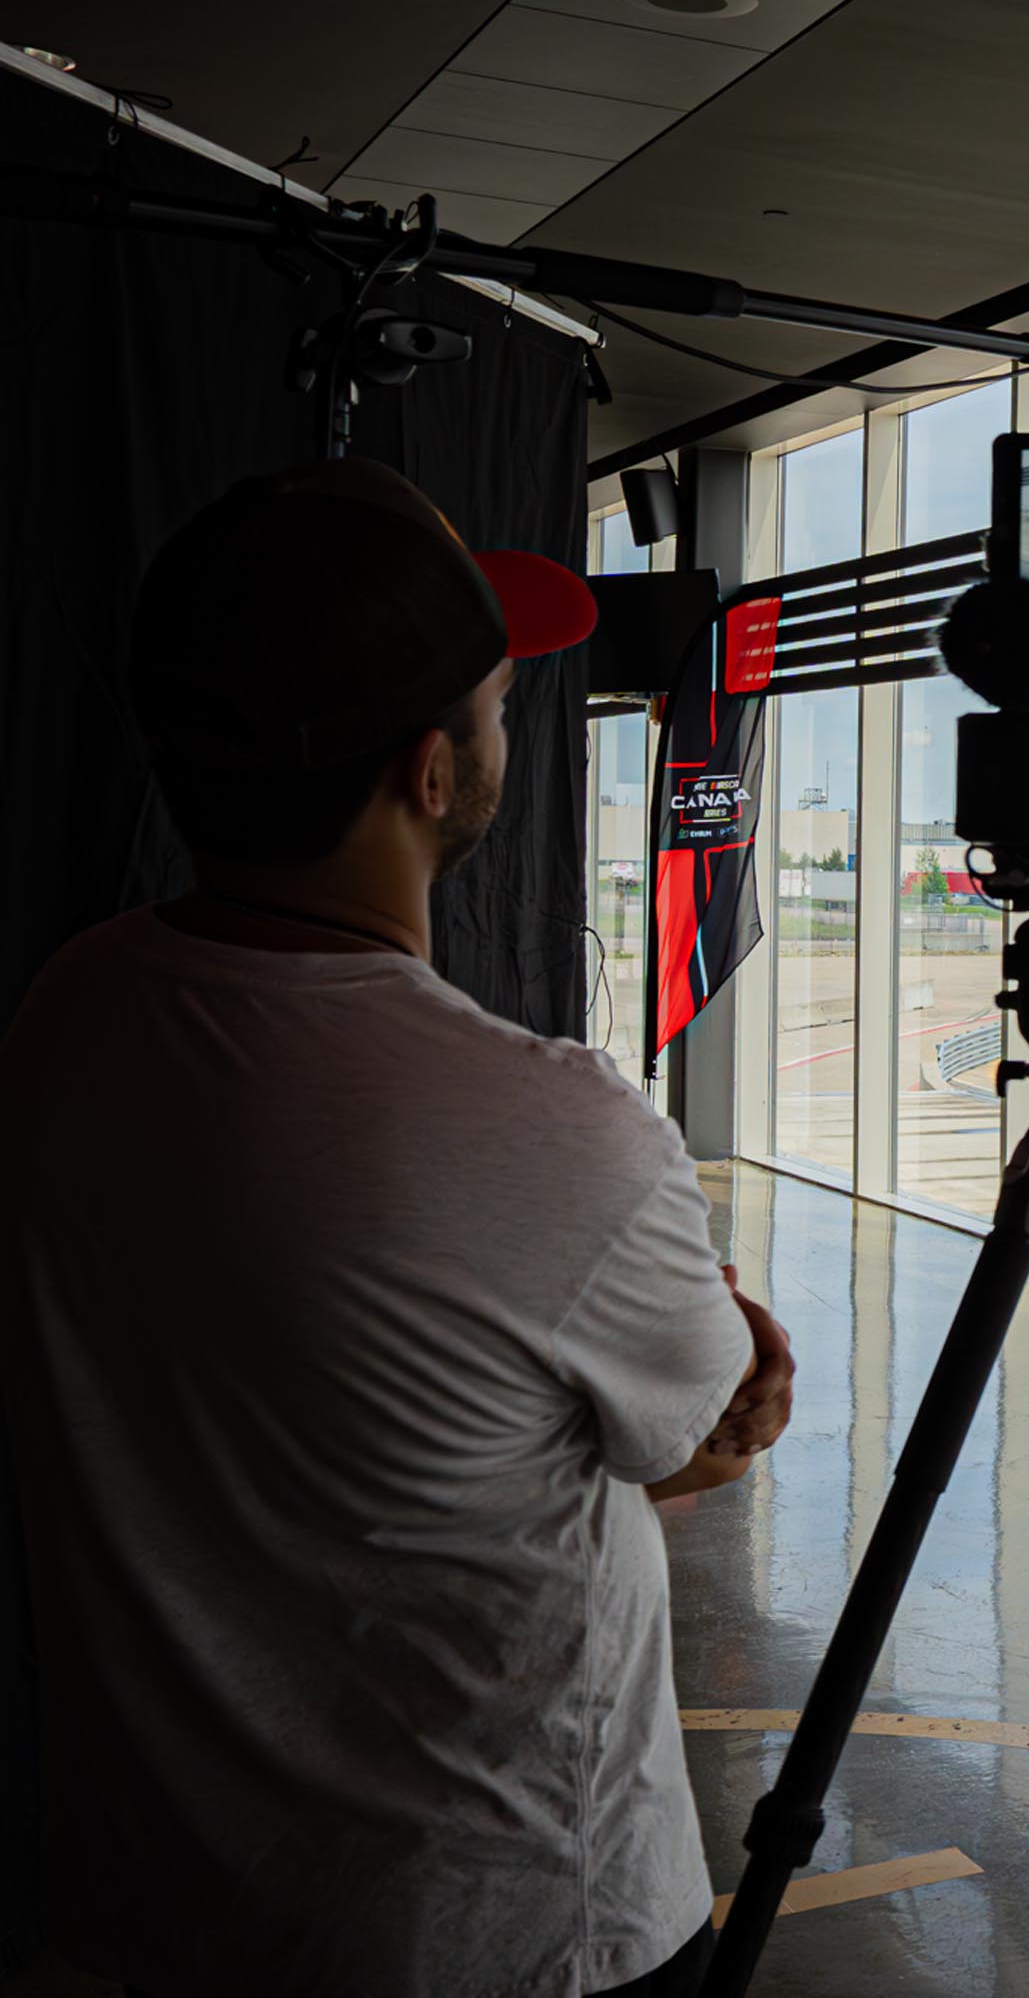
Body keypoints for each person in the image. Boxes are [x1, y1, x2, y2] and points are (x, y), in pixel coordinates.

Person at [0, 461, 797, 1998]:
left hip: (153, 1910)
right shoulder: (560, 1131)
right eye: (500, 704)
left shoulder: (67, 1014)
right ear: (434, 776)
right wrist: (726, 1406)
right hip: (505, 1934)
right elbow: (702, 1430)